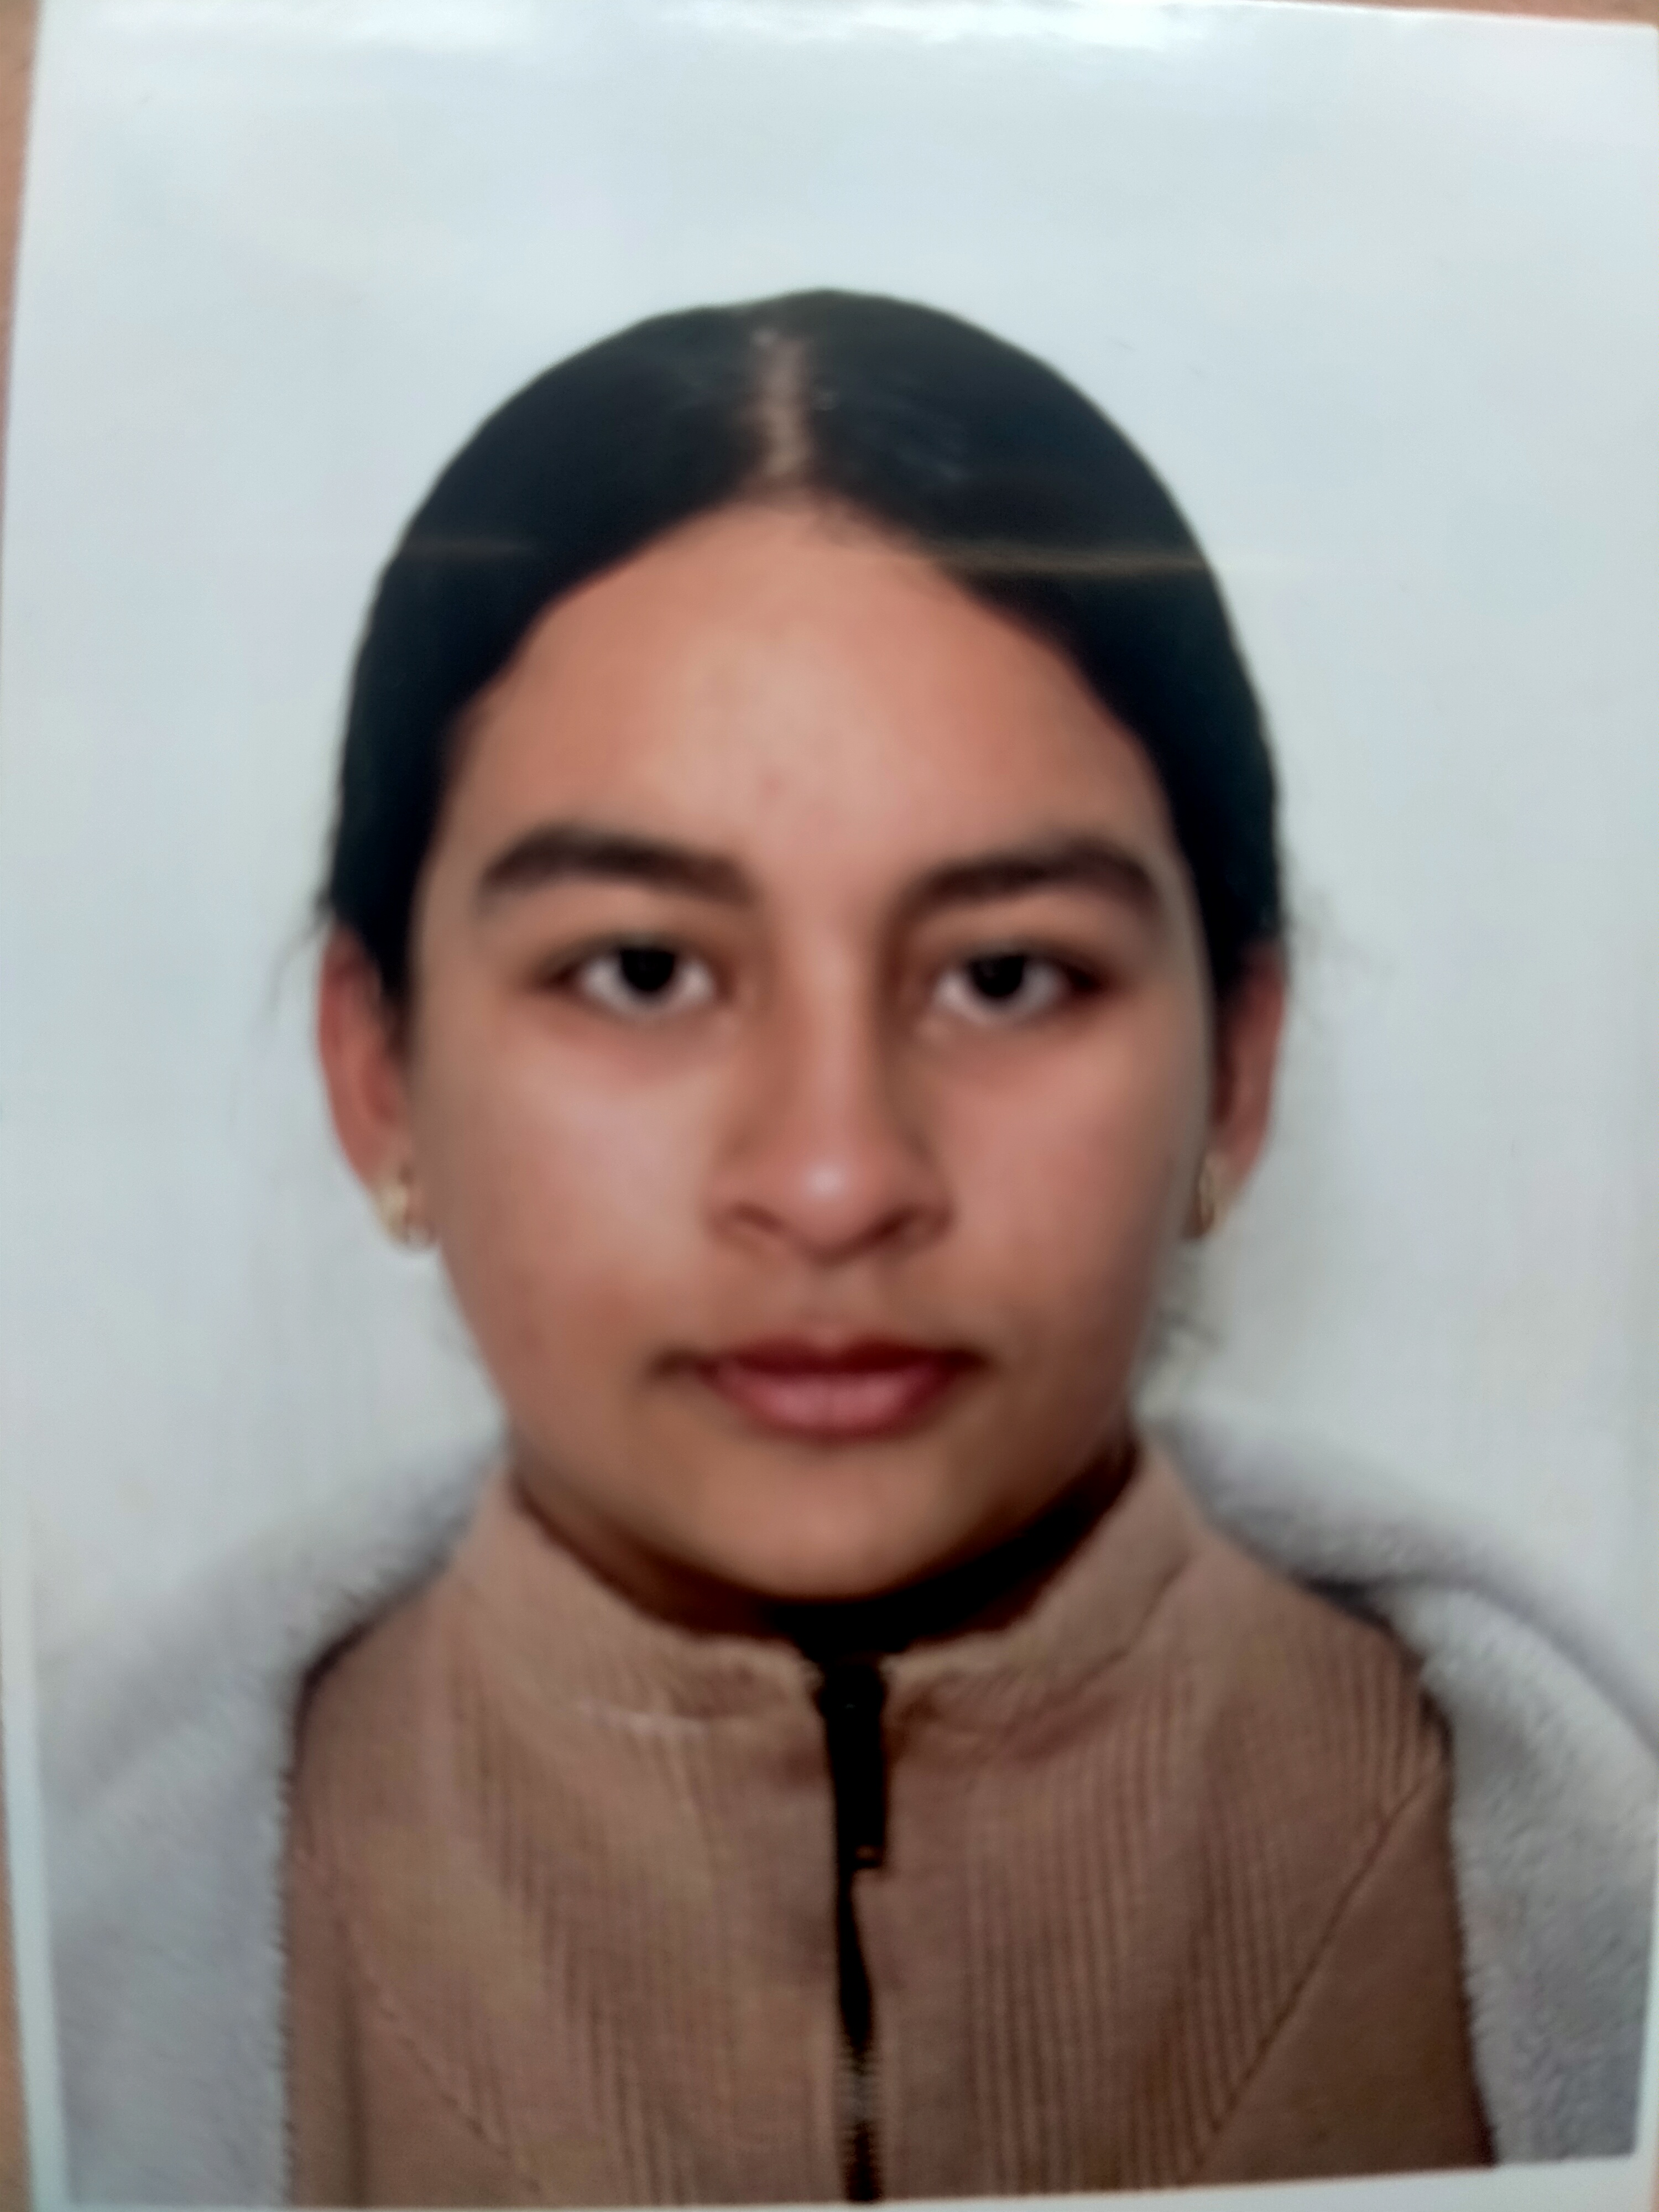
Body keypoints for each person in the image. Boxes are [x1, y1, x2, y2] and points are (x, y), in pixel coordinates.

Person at [39, 289, 1657, 2209]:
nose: (832, 1179)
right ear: (378, 1071)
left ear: (1236, 1070)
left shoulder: (1577, 1904)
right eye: (643, 971)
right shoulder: (73, 1968)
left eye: (1007, 974)